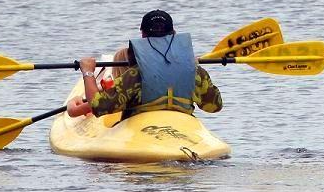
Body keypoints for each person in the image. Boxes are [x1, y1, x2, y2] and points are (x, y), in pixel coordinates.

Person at [65, 9, 223, 119]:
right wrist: (190, 65)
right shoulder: (195, 71)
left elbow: (99, 107)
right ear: (174, 34)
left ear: (143, 36)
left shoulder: (135, 75)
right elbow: (214, 106)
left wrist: (88, 72)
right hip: (182, 127)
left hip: (142, 131)